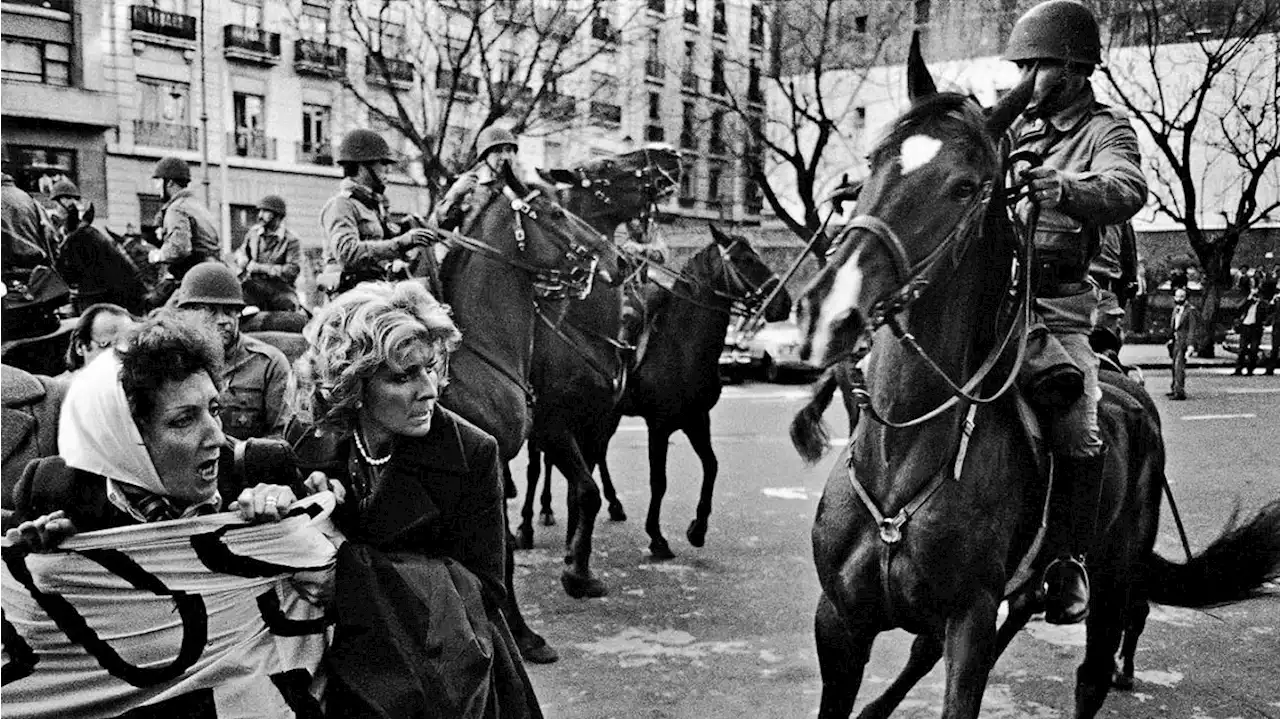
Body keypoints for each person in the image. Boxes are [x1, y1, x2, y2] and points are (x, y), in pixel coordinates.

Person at [289, 280, 543, 719]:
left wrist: (350, 573)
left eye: (430, 367)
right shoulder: (312, 443)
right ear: (354, 386)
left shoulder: (473, 453)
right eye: (403, 376)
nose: (429, 389)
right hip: (330, 666)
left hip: (440, 677)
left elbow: (484, 591)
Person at [1005, 0, 1148, 625]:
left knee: (1076, 424)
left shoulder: (1108, 131)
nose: (1022, 80)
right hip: (998, 302)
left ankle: (1066, 562)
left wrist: (1066, 187)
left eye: (1033, 67)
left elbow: (1127, 188)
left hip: (1061, 310)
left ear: (1070, 68)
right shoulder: (1018, 127)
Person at [5, 313, 299, 551]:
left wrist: (289, 518)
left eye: (214, 410)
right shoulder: (52, 489)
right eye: (184, 420)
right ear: (122, 435)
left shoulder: (262, 469)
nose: (217, 437)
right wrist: (55, 557)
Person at [171, 263, 290, 441]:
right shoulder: (174, 361)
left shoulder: (268, 363)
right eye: (211, 311)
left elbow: (281, 436)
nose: (223, 321)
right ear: (188, 314)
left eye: (229, 312)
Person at [319, 130, 434, 295]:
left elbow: (389, 242)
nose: (388, 169)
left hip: (378, 288)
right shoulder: (341, 205)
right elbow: (347, 254)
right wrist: (401, 242)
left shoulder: (374, 206)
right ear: (362, 166)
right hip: (349, 297)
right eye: (383, 163)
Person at [148, 156, 222, 307]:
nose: (156, 188)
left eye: (158, 182)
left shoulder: (177, 208)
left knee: (161, 320)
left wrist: (157, 255)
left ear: (169, 183)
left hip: (195, 277)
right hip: (214, 272)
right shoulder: (197, 205)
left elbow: (179, 249)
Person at [435, 125, 520, 234]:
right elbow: (438, 230)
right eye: (498, 151)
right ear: (485, 155)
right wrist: (454, 194)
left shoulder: (517, 191)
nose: (505, 157)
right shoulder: (468, 185)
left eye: (508, 150)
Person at [234, 194, 303, 311]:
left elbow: (292, 270)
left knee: (289, 311)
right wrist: (241, 259)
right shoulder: (253, 234)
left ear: (278, 216)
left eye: (266, 211)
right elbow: (241, 252)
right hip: (254, 286)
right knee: (237, 306)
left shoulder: (291, 240)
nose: (260, 215)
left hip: (280, 289)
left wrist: (260, 268)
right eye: (260, 211)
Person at [63, 302, 137, 377]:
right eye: (106, 344)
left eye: (130, 343)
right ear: (80, 347)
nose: (120, 356)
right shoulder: (67, 387)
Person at [1168, 287, 1198, 400]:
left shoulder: (1190, 310)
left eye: (1182, 296)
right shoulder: (1175, 309)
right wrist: (1171, 338)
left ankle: (1179, 392)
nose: (1179, 299)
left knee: (1179, 366)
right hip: (1176, 341)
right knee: (1173, 366)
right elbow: (1173, 325)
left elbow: (1192, 329)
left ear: (1186, 298)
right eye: (1177, 296)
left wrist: (1190, 345)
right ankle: (1174, 388)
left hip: (1183, 342)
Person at [1233, 285, 1267, 376]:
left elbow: (1265, 314)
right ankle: (1238, 369)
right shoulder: (1248, 303)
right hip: (1246, 327)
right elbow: (1239, 309)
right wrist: (1249, 299)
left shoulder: (1263, 305)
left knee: (1253, 350)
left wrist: (1259, 302)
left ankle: (1250, 370)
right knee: (1242, 349)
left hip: (1255, 328)